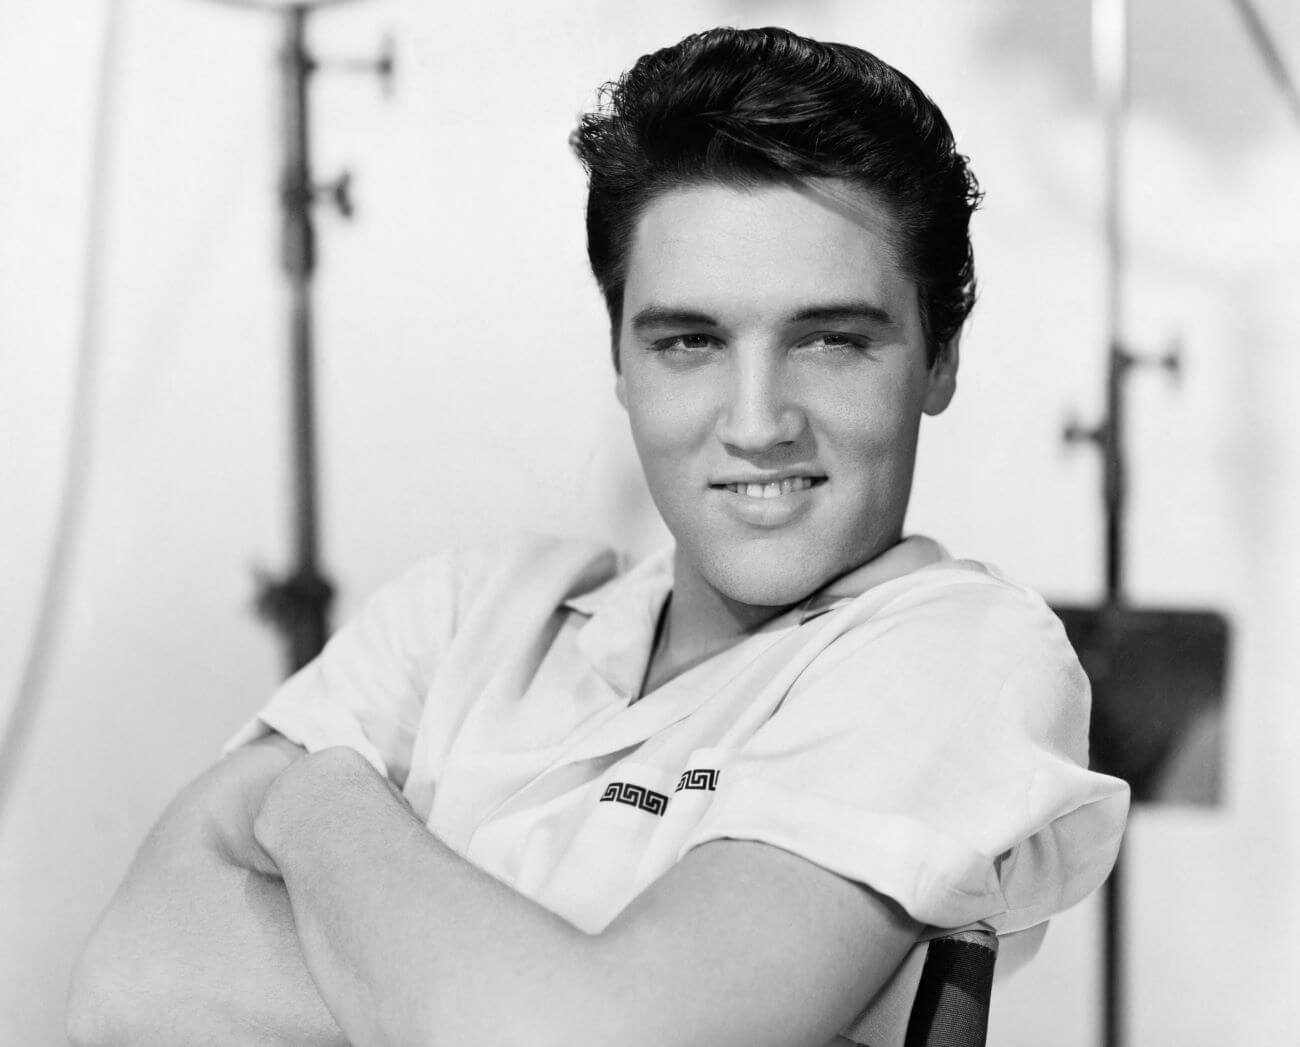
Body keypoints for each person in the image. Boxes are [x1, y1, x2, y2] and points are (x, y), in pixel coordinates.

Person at [67, 25, 1129, 1047]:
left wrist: (315, 798)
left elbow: (582, 1039)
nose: (757, 423)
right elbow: (131, 989)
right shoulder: (470, 611)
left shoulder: (956, 652)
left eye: (830, 340)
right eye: (689, 342)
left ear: (938, 358)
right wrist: (520, 991)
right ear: (620, 360)